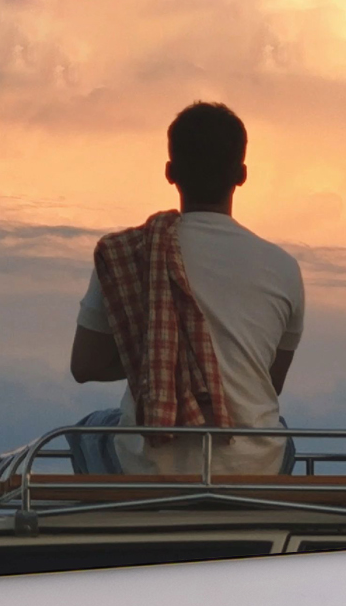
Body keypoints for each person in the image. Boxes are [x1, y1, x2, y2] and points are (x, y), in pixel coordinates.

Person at [70, 102, 303, 477]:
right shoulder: (283, 268)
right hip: (252, 467)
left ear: (170, 172)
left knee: (88, 430)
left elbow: (85, 365)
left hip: (150, 464)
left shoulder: (126, 254)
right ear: (241, 175)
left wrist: (158, 360)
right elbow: (269, 382)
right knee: (280, 432)